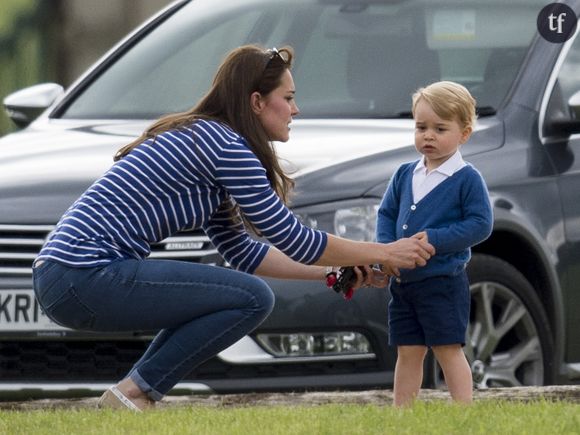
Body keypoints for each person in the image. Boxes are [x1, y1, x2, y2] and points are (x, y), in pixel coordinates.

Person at [32, 45, 435, 411]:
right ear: (257, 102)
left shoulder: (209, 142)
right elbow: (294, 239)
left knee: (238, 295)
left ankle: (131, 396)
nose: (296, 110)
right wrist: (384, 251)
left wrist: (336, 273)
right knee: (251, 298)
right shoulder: (227, 146)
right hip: (83, 274)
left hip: (64, 278)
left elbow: (244, 253)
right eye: (289, 99)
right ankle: (134, 394)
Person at [376, 81, 493, 406]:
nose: (428, 135)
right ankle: (403, 413)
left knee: (447, 348)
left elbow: (480, 224)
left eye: (440, 128)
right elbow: (386, 214)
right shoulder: (404, 174)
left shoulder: (467, 179)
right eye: (421, 127)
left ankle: (463, 410)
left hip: (442, 281)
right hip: (404, 283)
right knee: (408, 349)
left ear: (464, 134)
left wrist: (436, 240)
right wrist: (386, 250)